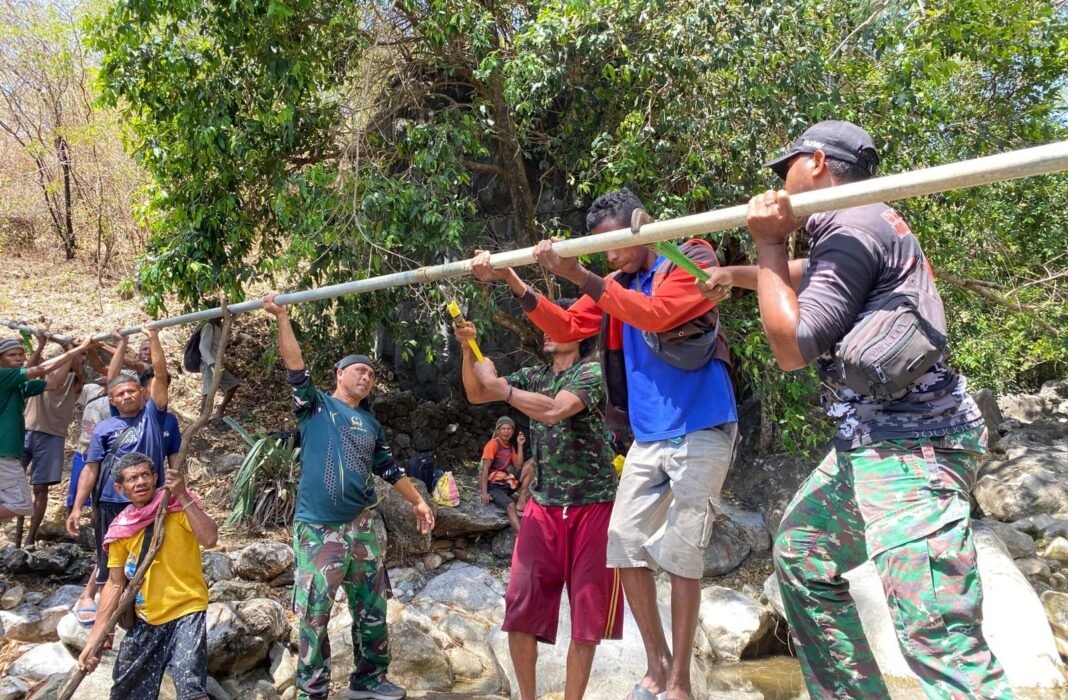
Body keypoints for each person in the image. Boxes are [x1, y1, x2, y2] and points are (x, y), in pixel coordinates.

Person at [697, 120, 1009, 699]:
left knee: (936, 634)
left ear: (816, 162)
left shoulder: (852, 222)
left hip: (913, 450)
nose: (780, 183)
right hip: (870, 445)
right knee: (803, 556)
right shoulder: (862, 223)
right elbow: (816, 276)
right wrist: (737, 274)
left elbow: (791, 348)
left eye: (786, 168)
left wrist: (769, 242)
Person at [472, 188, 737, 700]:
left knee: (682, 554)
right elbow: (567, 325)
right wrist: (513, 280)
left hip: (702, 425)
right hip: (649, 437)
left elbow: (658, 314)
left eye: (615, 244)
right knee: (624, 542)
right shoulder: (615, 285)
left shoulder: (692, 257)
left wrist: (579, 274)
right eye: (602, 250)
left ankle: (679, 682)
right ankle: (658, 664)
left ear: (640, 224)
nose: (610, 257)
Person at [260, 292, 435, 700]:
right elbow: (295, 367)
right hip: (319, 529)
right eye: (359, 370)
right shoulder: (315, 406)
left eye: (371, 374)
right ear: (339, 374)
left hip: (363, 525)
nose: (366, 377)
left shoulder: (370, 423)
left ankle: (370, 679)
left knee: (372, 608)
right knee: (315, 612)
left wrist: (418, 501)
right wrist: (282, 317)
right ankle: (313, 691)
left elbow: (389, 469)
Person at [456, 316, 622, 700]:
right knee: (520, 609)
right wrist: (467, 349)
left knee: (586, 620)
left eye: (557, 323)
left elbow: (554, 410)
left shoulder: (593, 373)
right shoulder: (534, 376)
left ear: (579, 334)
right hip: (543, 506)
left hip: (593, 506)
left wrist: (503, 389)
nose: (546, 329)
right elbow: (477, 394)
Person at [78, 452, 217, 700]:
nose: (140, 482)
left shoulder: (177, 508)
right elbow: (114, 583)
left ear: (155, 478)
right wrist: (96, 637)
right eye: (132, 478)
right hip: (146, 617)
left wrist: (182, 495)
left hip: (187, 610)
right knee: (126, 691)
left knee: (190, 686)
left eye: (145, 475)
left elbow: (209, 539)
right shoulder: (122, 528)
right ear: (120, 488)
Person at [67, 328, 178, 626]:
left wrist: (154, 338)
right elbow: (91, 468)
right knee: (109, 563)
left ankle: (144, 616)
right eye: (120, 393)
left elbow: (161, 375)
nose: (127, 395)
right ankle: (107, 626)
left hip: (148, 501)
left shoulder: (154, 416)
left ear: (142, 393)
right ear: (112, 400)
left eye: (132, 391)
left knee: (149, 556)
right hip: (110, 502)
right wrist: (77, 507)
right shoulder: (104, 428)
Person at [0, 334, 92, 522]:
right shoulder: (3, 375)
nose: (18, 358)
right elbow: (41, 368)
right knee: (20, 505)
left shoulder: (16, 384)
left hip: (9, 453)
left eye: (21, 354)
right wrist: (78, 348)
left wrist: (68, 350)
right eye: (12, 355)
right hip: (3, 453)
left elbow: (54, 384)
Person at [21, 340, 88, 548]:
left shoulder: (77, 381)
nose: (81, 358)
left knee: (40, 488)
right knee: (11, 482)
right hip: (26, 430)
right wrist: (41, 345)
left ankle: (30, 538)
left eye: (83, 355)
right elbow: (28, 369)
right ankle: (17, 535)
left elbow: (78, 372)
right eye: (79, 354)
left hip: (52, 437)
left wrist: (70, 349)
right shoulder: (46, 372)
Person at [479, 416, 527, 531]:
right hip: (494, 486)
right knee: (510, 506)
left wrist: (520, 445)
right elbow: (485, 469)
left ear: (513, 431)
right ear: (498, 430)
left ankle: (522, 500)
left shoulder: (510, 446)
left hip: (506, 483)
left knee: (529, 467)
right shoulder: (493, 444)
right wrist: (484, 492)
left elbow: (518, 465)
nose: (506, 432)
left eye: (509, 429)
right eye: (503, 429)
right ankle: (521, 536)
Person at [198, 318, 239, 418]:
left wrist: (223, 362)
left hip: (218, 363)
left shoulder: (220, 327)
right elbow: (203, 347)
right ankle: (202, 418)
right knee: (208, 391)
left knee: (233, 385)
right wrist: (212, 363)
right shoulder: (209, 326)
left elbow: (218, 348)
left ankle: (220, 410)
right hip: (208, 363)